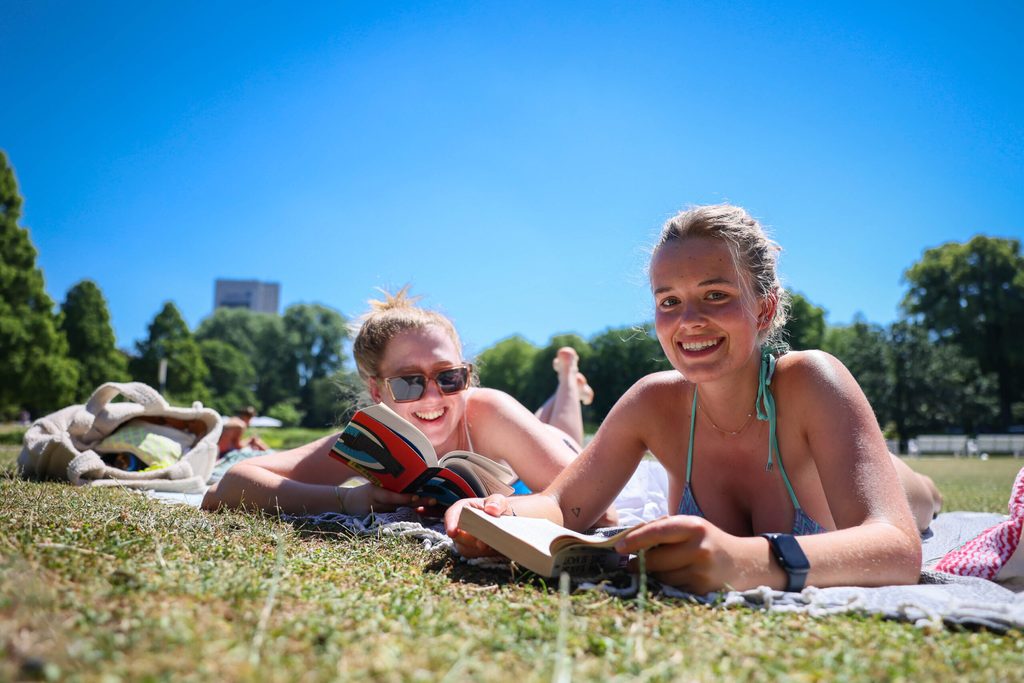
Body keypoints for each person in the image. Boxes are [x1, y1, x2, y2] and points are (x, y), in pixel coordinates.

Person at [446, 204, 941, 594]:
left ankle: (926, 487)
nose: (688, 321)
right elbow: (562, 505)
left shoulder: (812, 382)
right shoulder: (654, 403)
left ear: (764, 309)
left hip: (885, 479)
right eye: (669, 301)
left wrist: (744, 561)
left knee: (919, 496)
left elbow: (898, 547)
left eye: (716, 295)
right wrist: (495, 515)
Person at [202, 288, 611, 521]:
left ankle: (567, 381)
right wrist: (346, 500)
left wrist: (495, 508)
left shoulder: (488, 410)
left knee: (562, 430)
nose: (433, 397)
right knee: (545, 423)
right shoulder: (370, 440)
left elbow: (595, 508)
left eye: (449, 377)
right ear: (377, 390)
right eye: (409, 382)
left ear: (467, 375)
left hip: (548, 450)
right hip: (519, 451)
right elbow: (230, 486)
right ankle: (566, 384)